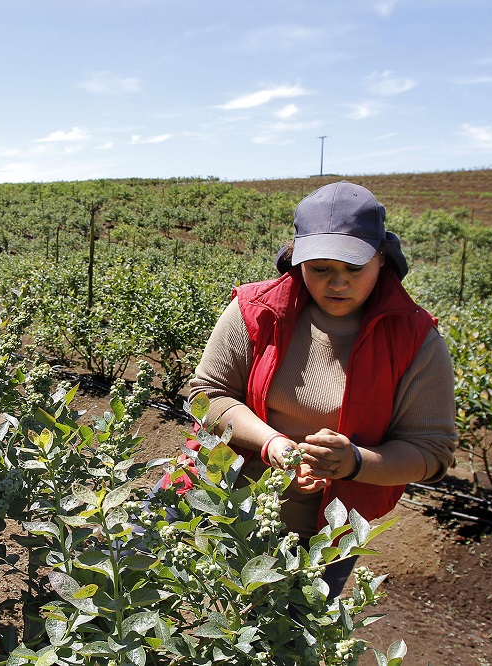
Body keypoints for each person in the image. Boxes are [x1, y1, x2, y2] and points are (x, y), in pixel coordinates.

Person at [186, 181, 457, 597]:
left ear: (381, 260)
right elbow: (207, 396)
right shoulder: (256, 311)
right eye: (321, 269)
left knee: (283, 644)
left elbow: (431, 453)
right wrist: (271, 442)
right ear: (297, 261)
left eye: (353, 269)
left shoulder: (415, 340)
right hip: (220, 504)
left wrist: (353, 462)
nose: (337, 284)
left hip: (321, 540)